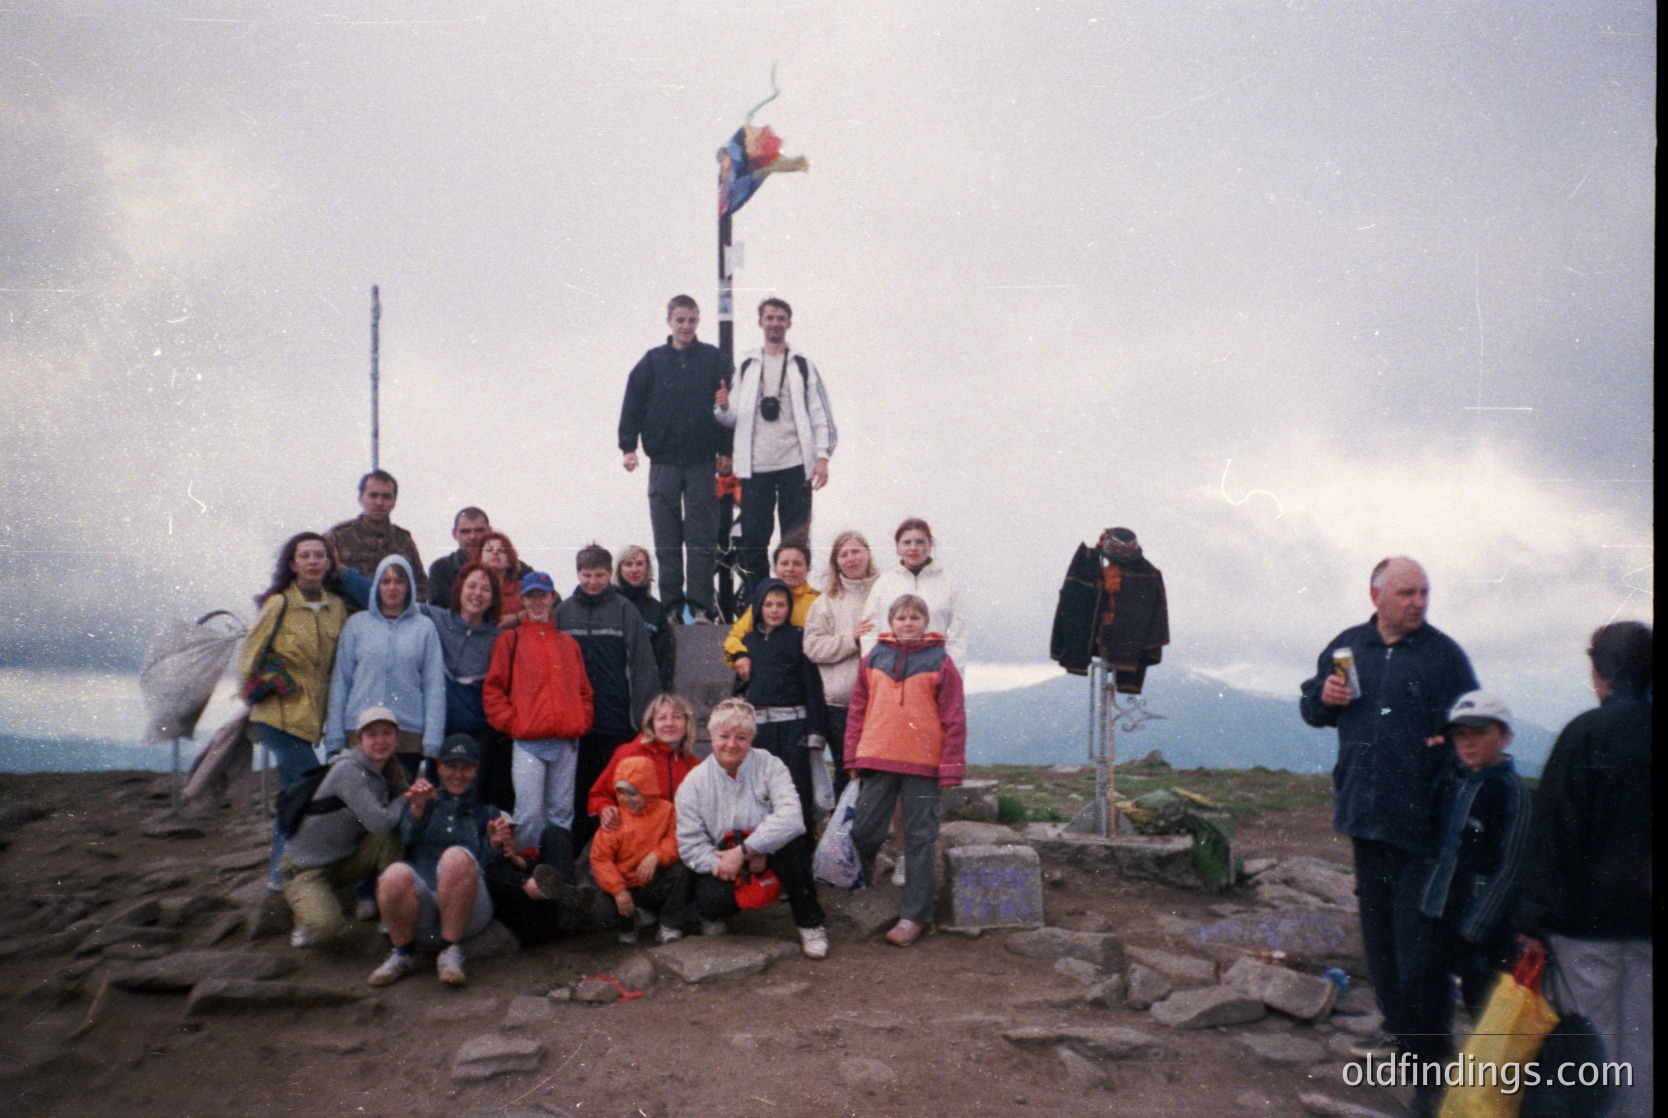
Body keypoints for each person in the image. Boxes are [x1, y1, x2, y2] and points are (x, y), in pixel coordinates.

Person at [1298, 556, 1477, 1093]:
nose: (1419, 602)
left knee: (1416, 935)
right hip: (1362, 811)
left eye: (1424, 592)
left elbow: (1472, 728)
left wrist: (1445, 748)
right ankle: (1396, 1026)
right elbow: (1312, 707)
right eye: (1407, 593)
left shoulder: (1444, 656)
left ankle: (1426, 1048)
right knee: (1377, 933)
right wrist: (1321, 699)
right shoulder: (1348, 647)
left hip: (1423, 819)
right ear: (1376, 597)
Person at [1516, 621, 1652, 1118]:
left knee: (1589, 1049)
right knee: (1644, 1050)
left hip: (1585, 928)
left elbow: (1552, 834)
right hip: (1647, 929)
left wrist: (1531, 919)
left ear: (1600, 672)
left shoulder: (1584, 734)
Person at [845, 594, 967, 947]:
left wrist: (951, 767)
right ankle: (871, 870)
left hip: (923, 765)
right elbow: (857, 711)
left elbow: (954, 718)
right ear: (891, 622)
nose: (908, 623)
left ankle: (914, 915)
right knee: (864, 828)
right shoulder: (872, 660)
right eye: (901, 617)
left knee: (919, 839)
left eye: (915, 617)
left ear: (925, 622)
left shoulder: (941, 662)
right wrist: (852, 757)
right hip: (876, 758)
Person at [236, 532, 351, 892]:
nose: (313, 561)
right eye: (305, 556)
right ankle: (288, 877)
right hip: (277, 718)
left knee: (293, 799)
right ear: (293, 564)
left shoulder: (338, 609)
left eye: (320, 555)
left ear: (329, 564)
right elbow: (246, 662)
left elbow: (337, 668)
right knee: (310, 793)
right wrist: (260, 689)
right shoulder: (279, 605)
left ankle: (280, 879)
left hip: (309, 723)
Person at [859, 518, 969, 885]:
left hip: (930, 682)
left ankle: (908, 857)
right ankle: (881, 857)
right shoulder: (886, 583)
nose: (913, 547)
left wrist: (949, 676)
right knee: (888, 784)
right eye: (906, 541)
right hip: (890, 683)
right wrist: (878, 673)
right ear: (897, 546)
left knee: (917, 784)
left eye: (920, 541)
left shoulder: (947, 582)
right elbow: (871, 628)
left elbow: (958, 633)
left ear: (930, 544)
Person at [675, 698, 828, 959]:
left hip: (766, 852)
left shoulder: (771, 765)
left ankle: (811, 924)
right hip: (723, 860)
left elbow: (792, 817)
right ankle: (714, 917)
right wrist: (732, 862)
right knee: (709, 894)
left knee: (795, 848)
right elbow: (690, 845)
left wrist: (748, 850)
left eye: (741, 737)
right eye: (724, 735)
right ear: (711, 737)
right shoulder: (693, 782)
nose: (731, 744)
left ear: (751, 738)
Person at [1416, 692, 1532, 1034]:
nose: (1468, 743)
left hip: (1483, 930)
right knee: (1430, 997)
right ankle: (1432, 1075)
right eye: (1461, 735)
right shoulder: (1460, 783)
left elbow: (1511, 867)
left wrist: (1474, 928)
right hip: (1442, 915)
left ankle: (1504, 1082)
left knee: (1484, 1004)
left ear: (1505, 736)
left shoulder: (1512, 792)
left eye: (1479, 734)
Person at [617, 294, 734, 622]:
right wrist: (628, 447)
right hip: (663, 463)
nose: (686, 326)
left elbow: (728, 407)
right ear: (669, 320)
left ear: (699, 321)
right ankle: (670, 606)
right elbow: (632, 403)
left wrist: (726, 451)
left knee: (701, 536)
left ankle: (701, 606)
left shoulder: (713, 358)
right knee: (666, 537)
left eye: (692, 320)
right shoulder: (652, 361)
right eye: (680, 319)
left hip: (701, 462)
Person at [713, 298, 837, 595]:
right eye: (769, 317)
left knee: (795, 537)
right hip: (755, 466)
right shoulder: (746, 365)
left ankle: (795, 599)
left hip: (796, 463)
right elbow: (733, 418)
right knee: (754, 538)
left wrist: (822, 457)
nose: (775, 323)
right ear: (760, 322)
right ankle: (761, 600)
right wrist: (722, 408)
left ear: (789, 323)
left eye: (781, 318)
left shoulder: (802, 366)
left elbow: (821, 414)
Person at [367, 735, 504, 987]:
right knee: (394, 874)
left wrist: (495, 845)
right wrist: (417, 810)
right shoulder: (426, 803)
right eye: (451, 766)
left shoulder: (488, 813)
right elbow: (406, 839)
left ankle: (451, 951)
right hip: (426, 914)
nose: (457, 775)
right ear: (439, 768)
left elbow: (489, 868)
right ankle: (404, 953)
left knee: (455, 857)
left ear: (476, 771)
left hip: (469, 913)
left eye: (466, 767)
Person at [557, 544, 661, 852]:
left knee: (615, 797)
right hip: (575, 726)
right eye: (586, 575)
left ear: (609, 574)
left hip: (616, 723)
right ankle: (578, 863)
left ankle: (614, 858)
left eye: (599, 575)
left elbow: (642, 665)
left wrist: (644, 721)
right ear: (577, 573)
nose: (592, 581)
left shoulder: (625, 610)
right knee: (576, 798)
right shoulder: (563, 612)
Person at [483, 573, 594, 861]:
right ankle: (526, 874)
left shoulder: (568, 644)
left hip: (566, 740)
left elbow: (584, 691)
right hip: (529, 741)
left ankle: (557, 875)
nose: (537, 602)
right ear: (522, 600)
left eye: (542, 595)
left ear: (552, 598)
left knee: (561, 814)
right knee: (529, 814)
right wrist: (514, 724)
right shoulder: (511, 640)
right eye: (530, 596)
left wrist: (580, 721)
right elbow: (493, 690)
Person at [280, 706, 410, 948]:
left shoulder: (385, 773)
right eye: (371, 734)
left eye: (386, 733)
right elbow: (380, 823)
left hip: (339, 863)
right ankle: (304, 917)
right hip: (304, 869)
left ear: (396, 738)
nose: (380, 740)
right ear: (359, 741)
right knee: (330, 931)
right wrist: (407, 797)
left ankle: (391, 914)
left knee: (389, 840)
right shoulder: (348, 770)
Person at [322, 555, 446, 782]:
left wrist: (432, 738)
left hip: (406, 734)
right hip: (360, 732)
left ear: (409, 586)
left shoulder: (425, 628)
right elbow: (341, 682)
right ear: (376, 585)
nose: (392, 587)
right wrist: (334, 736)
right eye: (385, 581)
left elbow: (434, 686)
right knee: (359, 810)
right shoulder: (356, 625)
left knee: (401, 807)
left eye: (399, 581)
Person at [730, 576, 828, 838]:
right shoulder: (748, 643)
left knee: (796, 791)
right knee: (761, 791)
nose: (775, 610)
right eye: (769, 604)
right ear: (759, 607)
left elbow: (812, 685)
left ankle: (800, 859)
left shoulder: (798, 638)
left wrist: (815, 731)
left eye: (781, 604)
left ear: (789, 608)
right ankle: (765, 861)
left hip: (793, 728)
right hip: (760, 730)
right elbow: (739, 690)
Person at [415, 561, 514, 812]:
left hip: (477, 733)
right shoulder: (435, 618)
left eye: (485, 589)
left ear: (493, 599)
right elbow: (396, 601)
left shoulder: (498, 639)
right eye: (471, 586)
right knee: (434, 798)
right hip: (439, 729)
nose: (477, 594)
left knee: (473, 799)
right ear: (459, 589)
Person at [803, 530, 880, 801]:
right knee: (847, 772)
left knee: (880, 771)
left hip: (881, 700)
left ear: (868, 553)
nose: (851, 558)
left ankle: (873, 835)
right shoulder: (825, 602)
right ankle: (843, 839)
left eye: (856, 551)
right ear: (836, 562)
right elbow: (812, 647)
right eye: (844, 554)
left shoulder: (885, 592)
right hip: (841, 704)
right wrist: (852, 640)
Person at [589, 756, 690, 945]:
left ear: (648, 788)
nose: (627, 799)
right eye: (621, 793)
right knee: (600, 908)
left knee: (679, 871)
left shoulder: (667, 810)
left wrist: (656, 856)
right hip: (626, 886)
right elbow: (600, 859)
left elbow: (676, 838)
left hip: (653, 882)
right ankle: (628, 924)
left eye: (633, 793)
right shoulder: (614, 819)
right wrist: (618, 890)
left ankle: (670, 925)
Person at [587, 693, 700, 835]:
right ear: (651, 724)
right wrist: (605, 809)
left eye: (677, 717)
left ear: (687, 724)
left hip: (676, 842)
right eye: (662, 718)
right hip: (631, 839)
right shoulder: (629, 753)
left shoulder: (694, 766)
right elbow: (598, 795)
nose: (669, 723)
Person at [327, 469, 427, 602]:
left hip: (393, 617)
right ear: (360, 499)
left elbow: (421, 585)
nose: (379, 502)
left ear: (394, 502)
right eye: (373, 495)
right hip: (349, 616)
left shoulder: (403, 540)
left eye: (386, 497)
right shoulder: (339, 536)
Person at [724, 543, 820, 671]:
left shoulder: (819, 601)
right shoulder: (763, 601)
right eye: (784, 563)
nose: (790, 569)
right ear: (774, 567)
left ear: (807, 567)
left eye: (797, 564)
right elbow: (734, 637)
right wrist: (741, 656)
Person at [615, 545, 676, 693]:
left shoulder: (656, 609)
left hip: (645, 689)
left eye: (639, 564)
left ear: (647, 569)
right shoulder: (609, 604)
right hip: (613, 688)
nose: (634, 570)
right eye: (628, 564)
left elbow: (663, 659)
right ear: (619, 569)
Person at [426, 506, 492, 608]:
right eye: (465, 531)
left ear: (489, 532)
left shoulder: (513, 567)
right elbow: (438, 614)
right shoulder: (441, 569)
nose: (472, 537)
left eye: (479, 531)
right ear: (454, 533)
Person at [479, 530, 530, 617]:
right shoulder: (470, 588)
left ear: (510, 560)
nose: (495, 552)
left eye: (502, 550)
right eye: (489, 550)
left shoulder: (523, 589)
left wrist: (517, 617)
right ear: (479, 558)